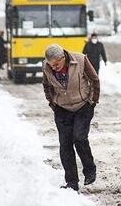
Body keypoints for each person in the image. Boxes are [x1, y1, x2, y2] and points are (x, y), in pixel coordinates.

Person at [42, 44, 100, 191]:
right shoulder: (47, 67)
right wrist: (53, 102)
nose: (54, 67)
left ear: (63, 58)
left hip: (82, 106)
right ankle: (72, 182)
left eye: (56, 64)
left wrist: (92, 101)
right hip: (62, 109)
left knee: (79, 138)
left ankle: (89, 170)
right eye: (51, 65)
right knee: (65, 145)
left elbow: (94, 79)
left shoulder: (80, 60)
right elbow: (46, 85)